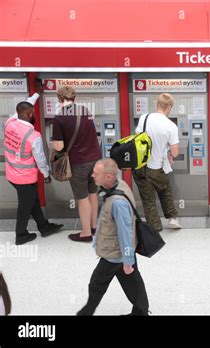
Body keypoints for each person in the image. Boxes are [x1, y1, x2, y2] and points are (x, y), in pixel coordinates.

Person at [77, 158, 149, 316]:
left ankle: (86, 312)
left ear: (108, 176)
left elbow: (125, 232)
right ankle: (141, 311)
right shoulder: (120, 185)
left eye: (96, 174)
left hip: (115, 254)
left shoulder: (117, 203)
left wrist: (128, 260)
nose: (92, 176)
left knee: (96, 284)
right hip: (121, 252)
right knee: (133, 282)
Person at [4, 79, 63, 245]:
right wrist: (46, 174)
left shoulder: (11, 122)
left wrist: (37, 94)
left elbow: (25, 105)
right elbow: (40, 159)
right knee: (25, 205)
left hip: (11, 174)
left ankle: (44, 226)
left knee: (32, 199)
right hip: (24, 176)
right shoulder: (33, 136)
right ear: (29, 114)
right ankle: (20, 235)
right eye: (32, 113)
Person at [52, 86, 102, 242]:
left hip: (78, 162)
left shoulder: (59, 117)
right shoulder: (85, 111)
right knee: (93, 193)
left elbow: (59, 147)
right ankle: (94, 227)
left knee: (82, 198)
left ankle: (86, 233)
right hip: (95, 159)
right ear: (74, 98)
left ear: (59, 99)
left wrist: (52, 143)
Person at [133, 93, 181, 232]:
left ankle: (155, 228)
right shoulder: (171, 126)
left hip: (140, 167)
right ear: (170, 107)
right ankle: (172, 218)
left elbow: (137, 138)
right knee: (165, 190)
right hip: (156, 167)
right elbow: (175, 152)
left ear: (157, 104)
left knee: (148, 200)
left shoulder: (144, 118)